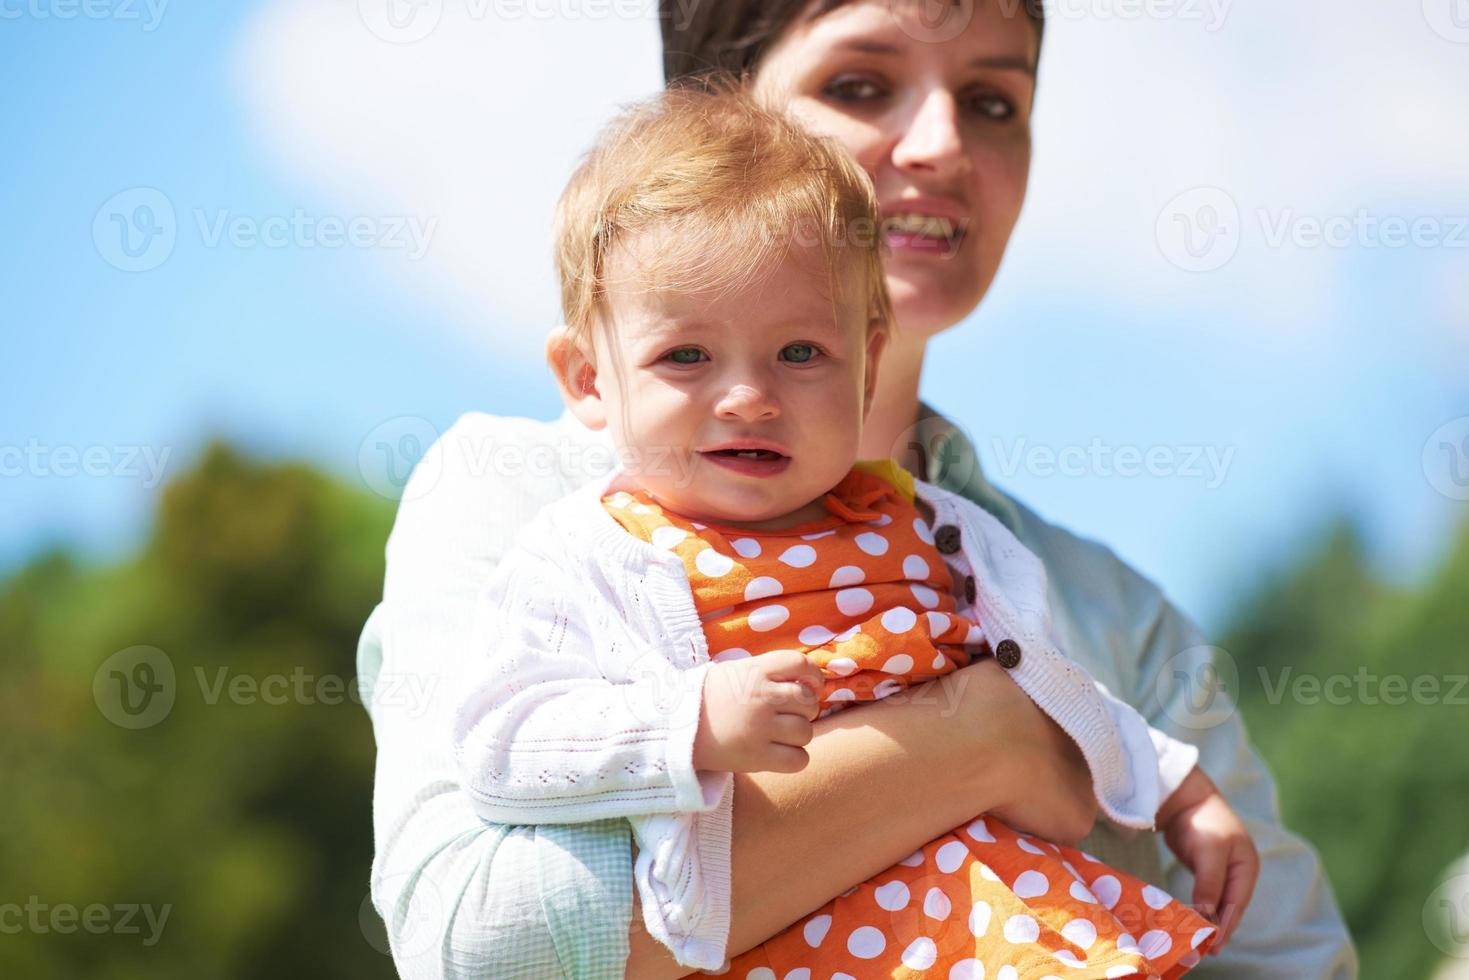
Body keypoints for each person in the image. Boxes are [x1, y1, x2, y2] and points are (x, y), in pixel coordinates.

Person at [355, 2, 1358, 977]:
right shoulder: (523, 503)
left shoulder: (1109, 612)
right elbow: (485, 947)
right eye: (859, 83)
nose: (939, 144)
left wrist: (1163, 779)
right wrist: (980, 741)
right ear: (715, 117)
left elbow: (1288, 957)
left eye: (993, 101)